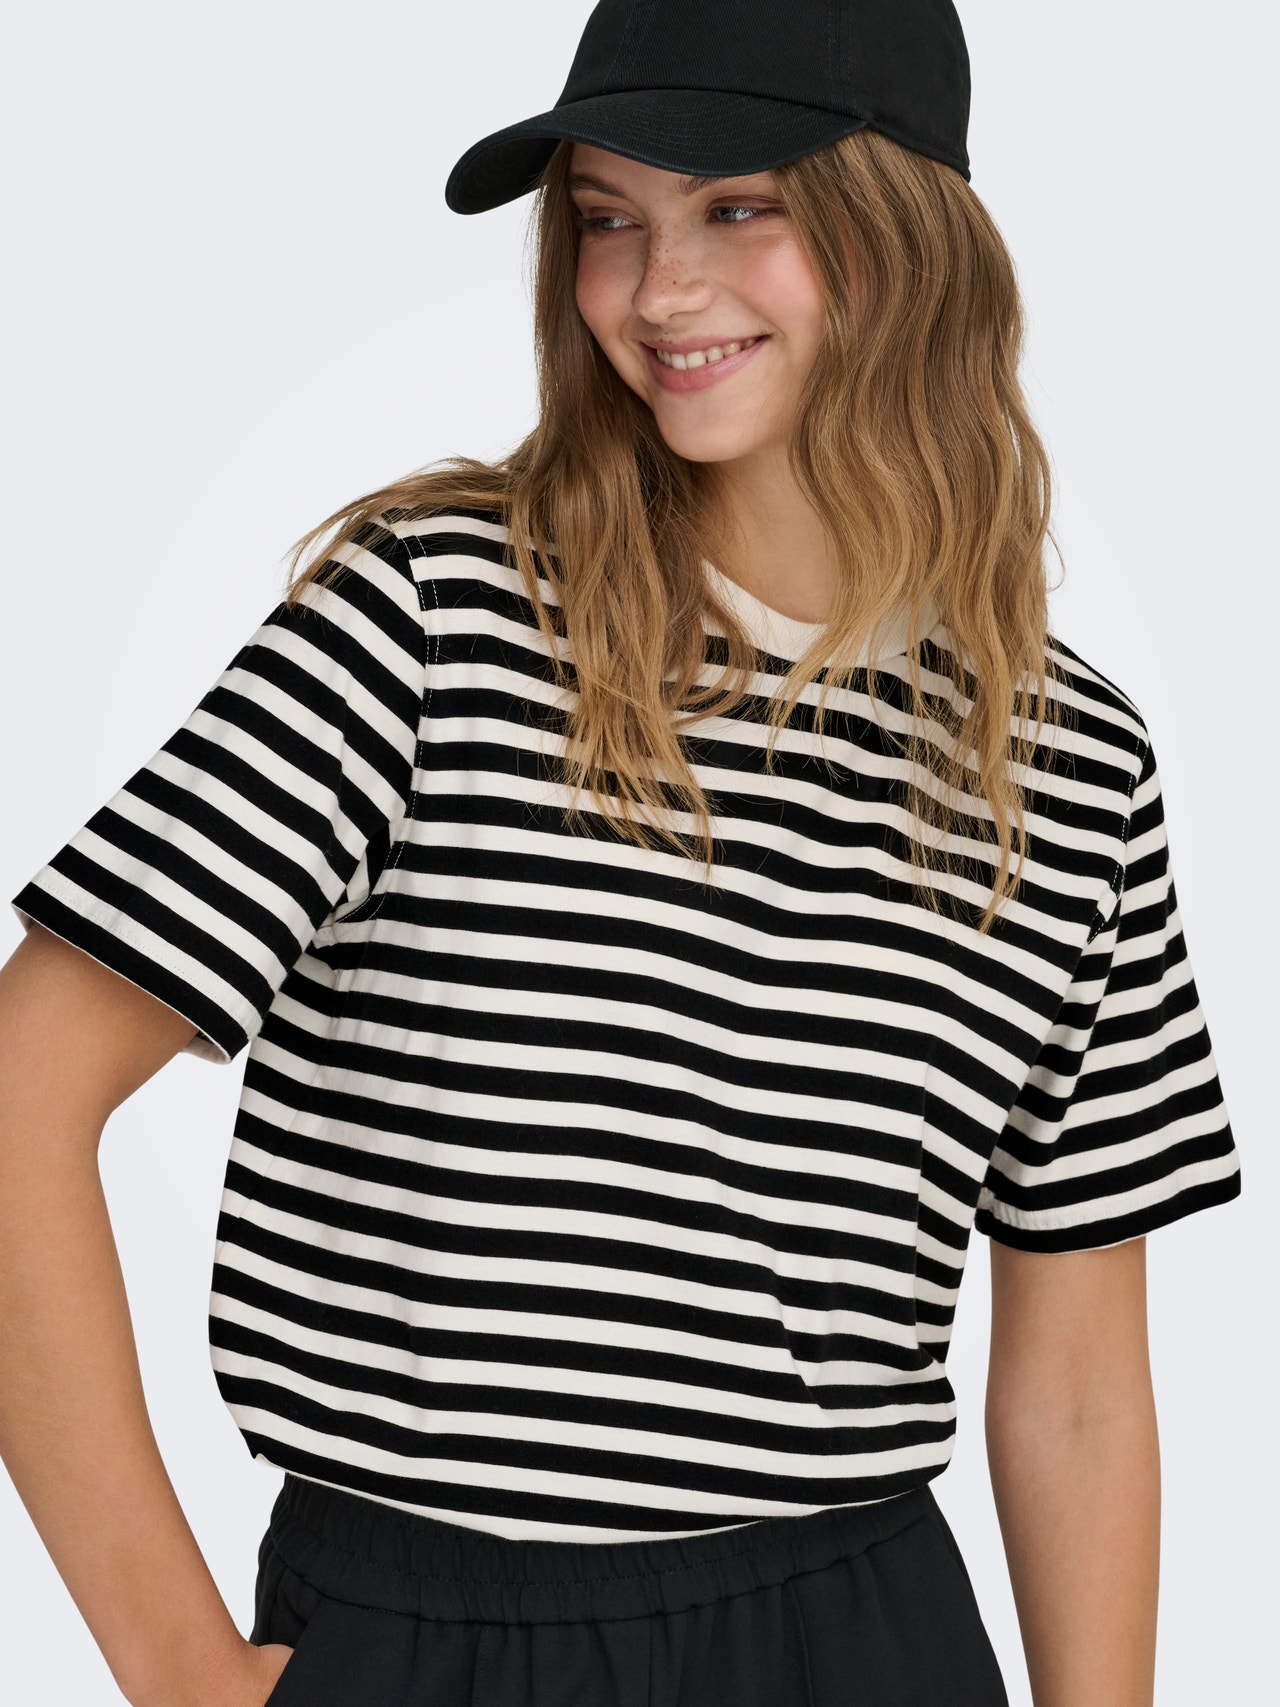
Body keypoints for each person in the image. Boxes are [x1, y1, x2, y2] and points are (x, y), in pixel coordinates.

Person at [0, 0, 1244, 1702]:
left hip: (864, 1630)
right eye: (609, 219)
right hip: (439, 1632)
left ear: (912, 236)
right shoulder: (432, 623)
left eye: (740, 205)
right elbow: (19, 1102)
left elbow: (1082, 1381)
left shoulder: (1063, 756)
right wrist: (181, 1672)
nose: (659, 292)